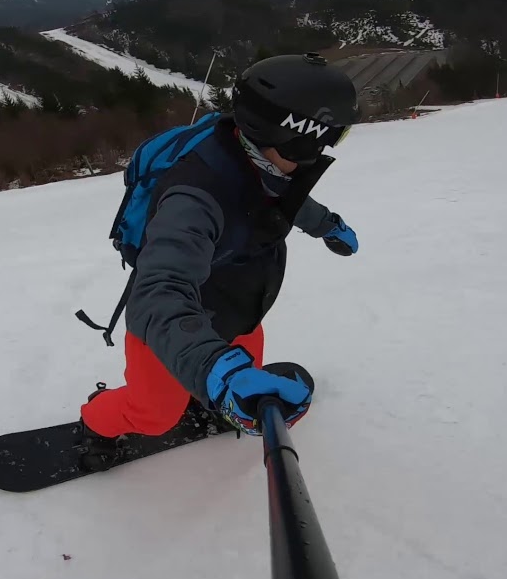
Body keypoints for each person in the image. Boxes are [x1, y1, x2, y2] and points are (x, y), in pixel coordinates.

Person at [77, 53, 361, 470]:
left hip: (240, 308)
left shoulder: (266, 162)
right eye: (329, 139)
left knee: (247, 366)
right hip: (171, 325)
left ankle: (209, 390)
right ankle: (96, 420)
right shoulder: (193, 198)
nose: (323, 153)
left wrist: (326, 225)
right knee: (153, 415)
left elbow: (284, 201)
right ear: (298, 135)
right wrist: (213, 368)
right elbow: (159, 293)